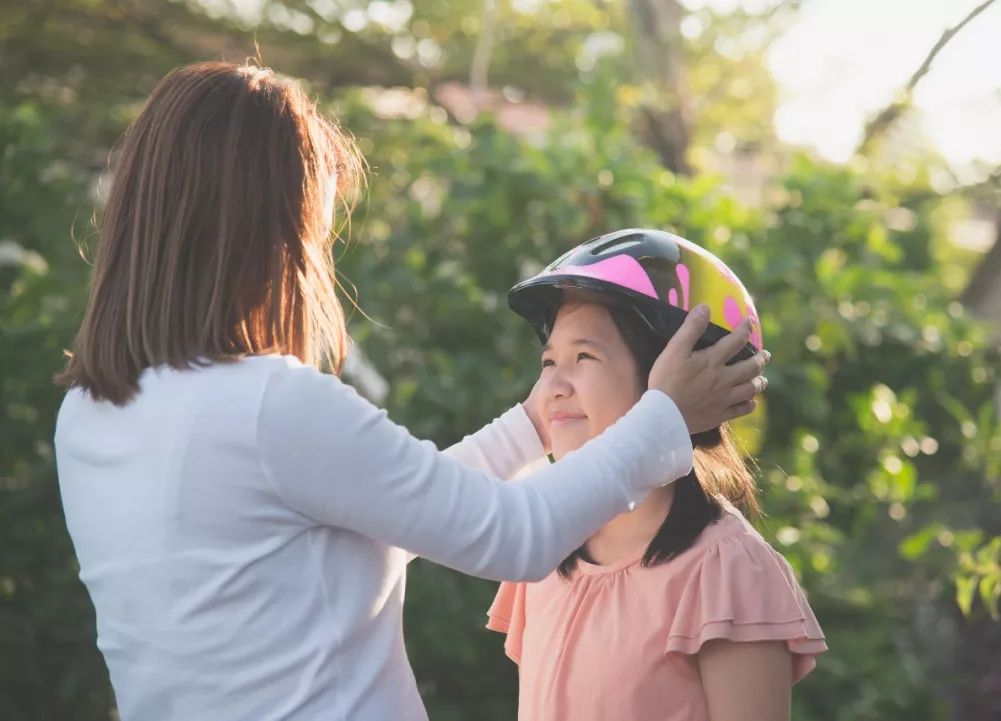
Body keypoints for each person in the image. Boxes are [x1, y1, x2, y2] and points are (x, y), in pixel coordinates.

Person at [51, 63, 771, 720]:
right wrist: (665, 416)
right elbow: (512, 534)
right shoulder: (272, 405)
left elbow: (395, 516)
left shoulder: (88, 416)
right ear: (265, 231)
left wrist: (533, 422)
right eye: (311, 230)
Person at [487, 229, 826, 721]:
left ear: (673, 382)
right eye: (548, 361)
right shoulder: (544, 548)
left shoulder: (727, 572)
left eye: (584, 356)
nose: (553, 387)